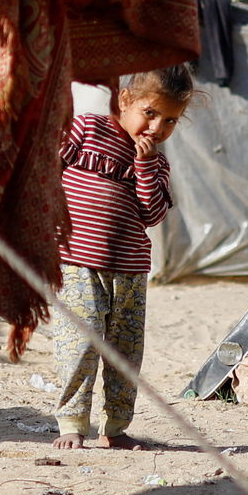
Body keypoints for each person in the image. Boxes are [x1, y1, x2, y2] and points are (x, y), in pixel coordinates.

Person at [50, 65, 194, 450]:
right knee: (80, 343)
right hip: (77, 261)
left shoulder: (157, 163)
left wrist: (145, 167)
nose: (157, 128)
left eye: (170, 121)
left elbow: (153, 214)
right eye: (150, 113)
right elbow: (46, 167)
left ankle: (114, 428)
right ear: (124, 100)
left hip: (129, 269)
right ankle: (71, 425)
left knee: (125, 351)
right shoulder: (87, 130)